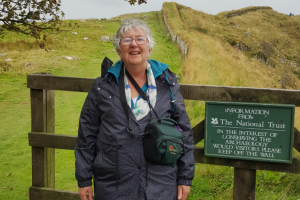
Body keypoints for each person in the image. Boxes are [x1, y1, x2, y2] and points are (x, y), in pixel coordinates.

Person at [75, 19, 194, 200]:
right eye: (126, 40)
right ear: (118, 50)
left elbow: (184, 131)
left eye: (140, 38)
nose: (134, 44)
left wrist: (185, 177)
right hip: (113, 186)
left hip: (160, 184)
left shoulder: (168, 83)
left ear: (149, 48)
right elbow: (87, 134)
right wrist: (84, 179)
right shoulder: (103, 87)